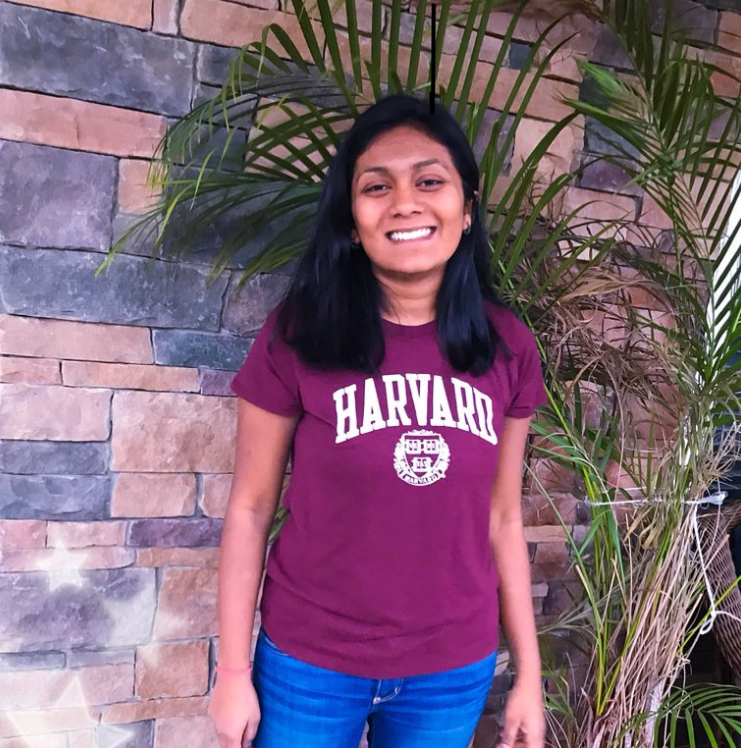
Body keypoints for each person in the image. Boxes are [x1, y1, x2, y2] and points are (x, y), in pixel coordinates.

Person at [208, 93, 549, 748]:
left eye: (429, 180)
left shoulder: (507, 347)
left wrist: (527, 676)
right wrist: (231, 671)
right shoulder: (297, 335)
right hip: (308, 663)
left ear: (467, 206)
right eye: (375, 186)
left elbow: (503, 516)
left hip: (450, 669)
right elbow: (250, 508)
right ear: (351, 216)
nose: (404, 203)